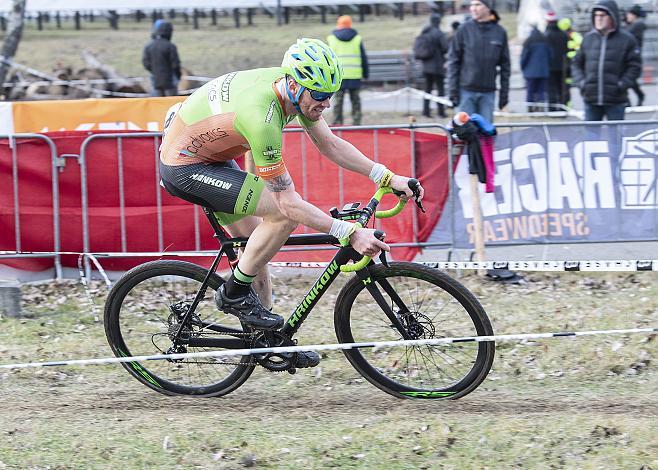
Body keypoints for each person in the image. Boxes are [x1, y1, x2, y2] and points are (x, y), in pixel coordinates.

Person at [158, 38, 423, 368]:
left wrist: (388, 178)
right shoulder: (263, 116)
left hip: (211, 155)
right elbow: (289, 205)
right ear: (296, 84)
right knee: (281, 218)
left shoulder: (295, 92)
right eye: (321, 96)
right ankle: (233, 294)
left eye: (331, 95)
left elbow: (330, 143)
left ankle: (265, 343)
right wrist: (350, 233)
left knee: (256, 251)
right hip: (186, 166)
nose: (326, 103)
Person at [571, 0, 641, 121]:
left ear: (612, 16)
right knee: (591, 139)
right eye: (596, 15)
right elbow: (576, 63)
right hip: (591, 100)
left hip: (616, 100)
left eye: (602, 15)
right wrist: (582, 83)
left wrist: (622, 85)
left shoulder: (627, 40)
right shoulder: (588, 39)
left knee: (615, 138)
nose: (598, 19)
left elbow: (635, 67)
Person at [447, 0, 511, 123]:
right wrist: (452, 91)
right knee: (464, 135)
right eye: (471, 5)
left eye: (477, 5)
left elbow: (505, 66)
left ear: (488, 7)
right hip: (466, 92)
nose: (473, 8)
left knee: (485, 135)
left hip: (488, 93)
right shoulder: (464, 29)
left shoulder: (499, 32)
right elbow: (453, 61)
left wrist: (504, 95)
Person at [327, 15, 369, 125]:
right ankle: (356, 123)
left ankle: (337, 123)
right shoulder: (357, 38)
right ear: (350, 25)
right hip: (355, 75)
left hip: (339, 76)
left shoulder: (332, 39)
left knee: (338, 101)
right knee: (355, 101)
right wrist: (366, 73)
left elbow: (327, 58)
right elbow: (363, 57)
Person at [416, 12, 449, 118]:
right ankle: (441, 112)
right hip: (438, 66)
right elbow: (445, 48)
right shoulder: (439, 33)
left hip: (426, 67)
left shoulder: (425, 32)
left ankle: (426, 112)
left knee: (427, 90)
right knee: (440, 90)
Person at [142, 19, 181, 97]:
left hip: (155, 80)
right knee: (171, 104)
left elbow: (145, 63)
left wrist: (154, 71)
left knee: (157, 103)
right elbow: (175, 64)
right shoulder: (170, 46)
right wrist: (178, 75)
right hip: (170, 81)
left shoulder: (149, 46)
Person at [520, 25, 552, 112]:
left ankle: (530, 108)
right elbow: (551, 55)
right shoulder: (545, 40)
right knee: (541, 90)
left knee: (530, 91)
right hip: (543, 71)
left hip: (530, 72)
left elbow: (524, 57)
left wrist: (522, 67)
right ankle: (541, 107)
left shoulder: (528, 41)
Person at [544, 11, 569, 110]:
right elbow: (566, 50)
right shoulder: (563, 34)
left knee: (551, 89)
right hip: (563, 65)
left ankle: (552, 109)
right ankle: (563, 108)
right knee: (562, 88)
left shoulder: (546, 35)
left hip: (550, 66)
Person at [624, 4, 647, 106]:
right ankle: (633, 98)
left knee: (629, 79)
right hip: (628, 57)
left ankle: (628, 101)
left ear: (634, 15)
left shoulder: (637, 25)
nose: (627, 16)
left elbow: (625, 35)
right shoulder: (632, 26)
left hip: (633, 57)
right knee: (630, 80)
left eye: (629, 14)